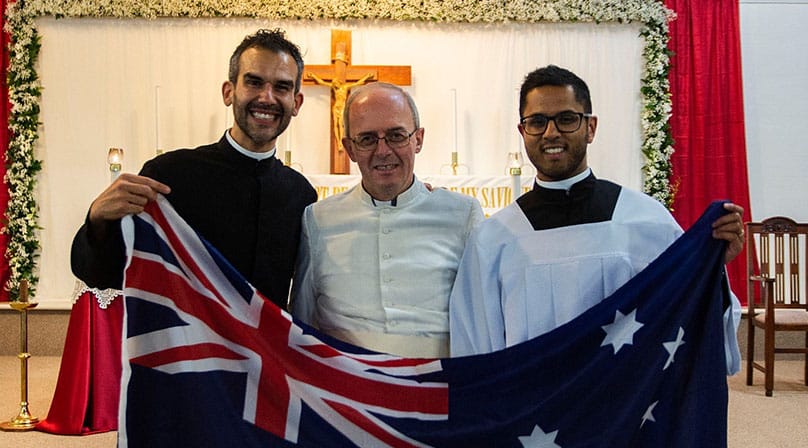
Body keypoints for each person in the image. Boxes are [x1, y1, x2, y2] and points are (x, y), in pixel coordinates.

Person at [449, 65, 744, 374]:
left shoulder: (645, 221)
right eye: (537, 122)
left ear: (590, 127)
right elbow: (475, 349)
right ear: (523, 132)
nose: (551, 132)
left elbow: (687, 313)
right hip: (536, 414)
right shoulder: (495, 239)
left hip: (624, 408)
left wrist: (711, 266)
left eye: (566, 119)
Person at [71, 29, 317, 308]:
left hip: (262, 351)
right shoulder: (169, 175)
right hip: (185, 350)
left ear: (295, 103)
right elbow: (103, 275)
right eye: (254, 82)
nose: (267, 97)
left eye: (282, 87)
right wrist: (98, 220)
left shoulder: (300, 194)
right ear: (229, 92)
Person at [289, 82, 484, 358]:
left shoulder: (462, 215)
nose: (383, 151)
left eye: (396, 136)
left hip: (436, 386)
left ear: (418, 139)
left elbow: (481, 321)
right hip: (345, 387)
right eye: (367, 139)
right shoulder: (318, 219)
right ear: (350, 148)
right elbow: (302, 323)